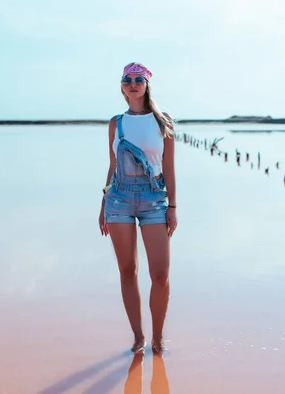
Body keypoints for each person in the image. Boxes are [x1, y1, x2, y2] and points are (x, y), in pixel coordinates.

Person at [98, 62, 178, 355]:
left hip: (154, 199)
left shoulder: (163, 121)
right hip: (118, 198)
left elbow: (168, 166)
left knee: (160, 275)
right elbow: (113, 164)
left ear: (146, 85)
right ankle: (138, 338)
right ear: (122, 86)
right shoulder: (115, 123)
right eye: (127, 80)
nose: (132, 84)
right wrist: (103, 202)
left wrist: (172, 206)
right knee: (128, 270)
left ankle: (158, 339)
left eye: (138, 80)